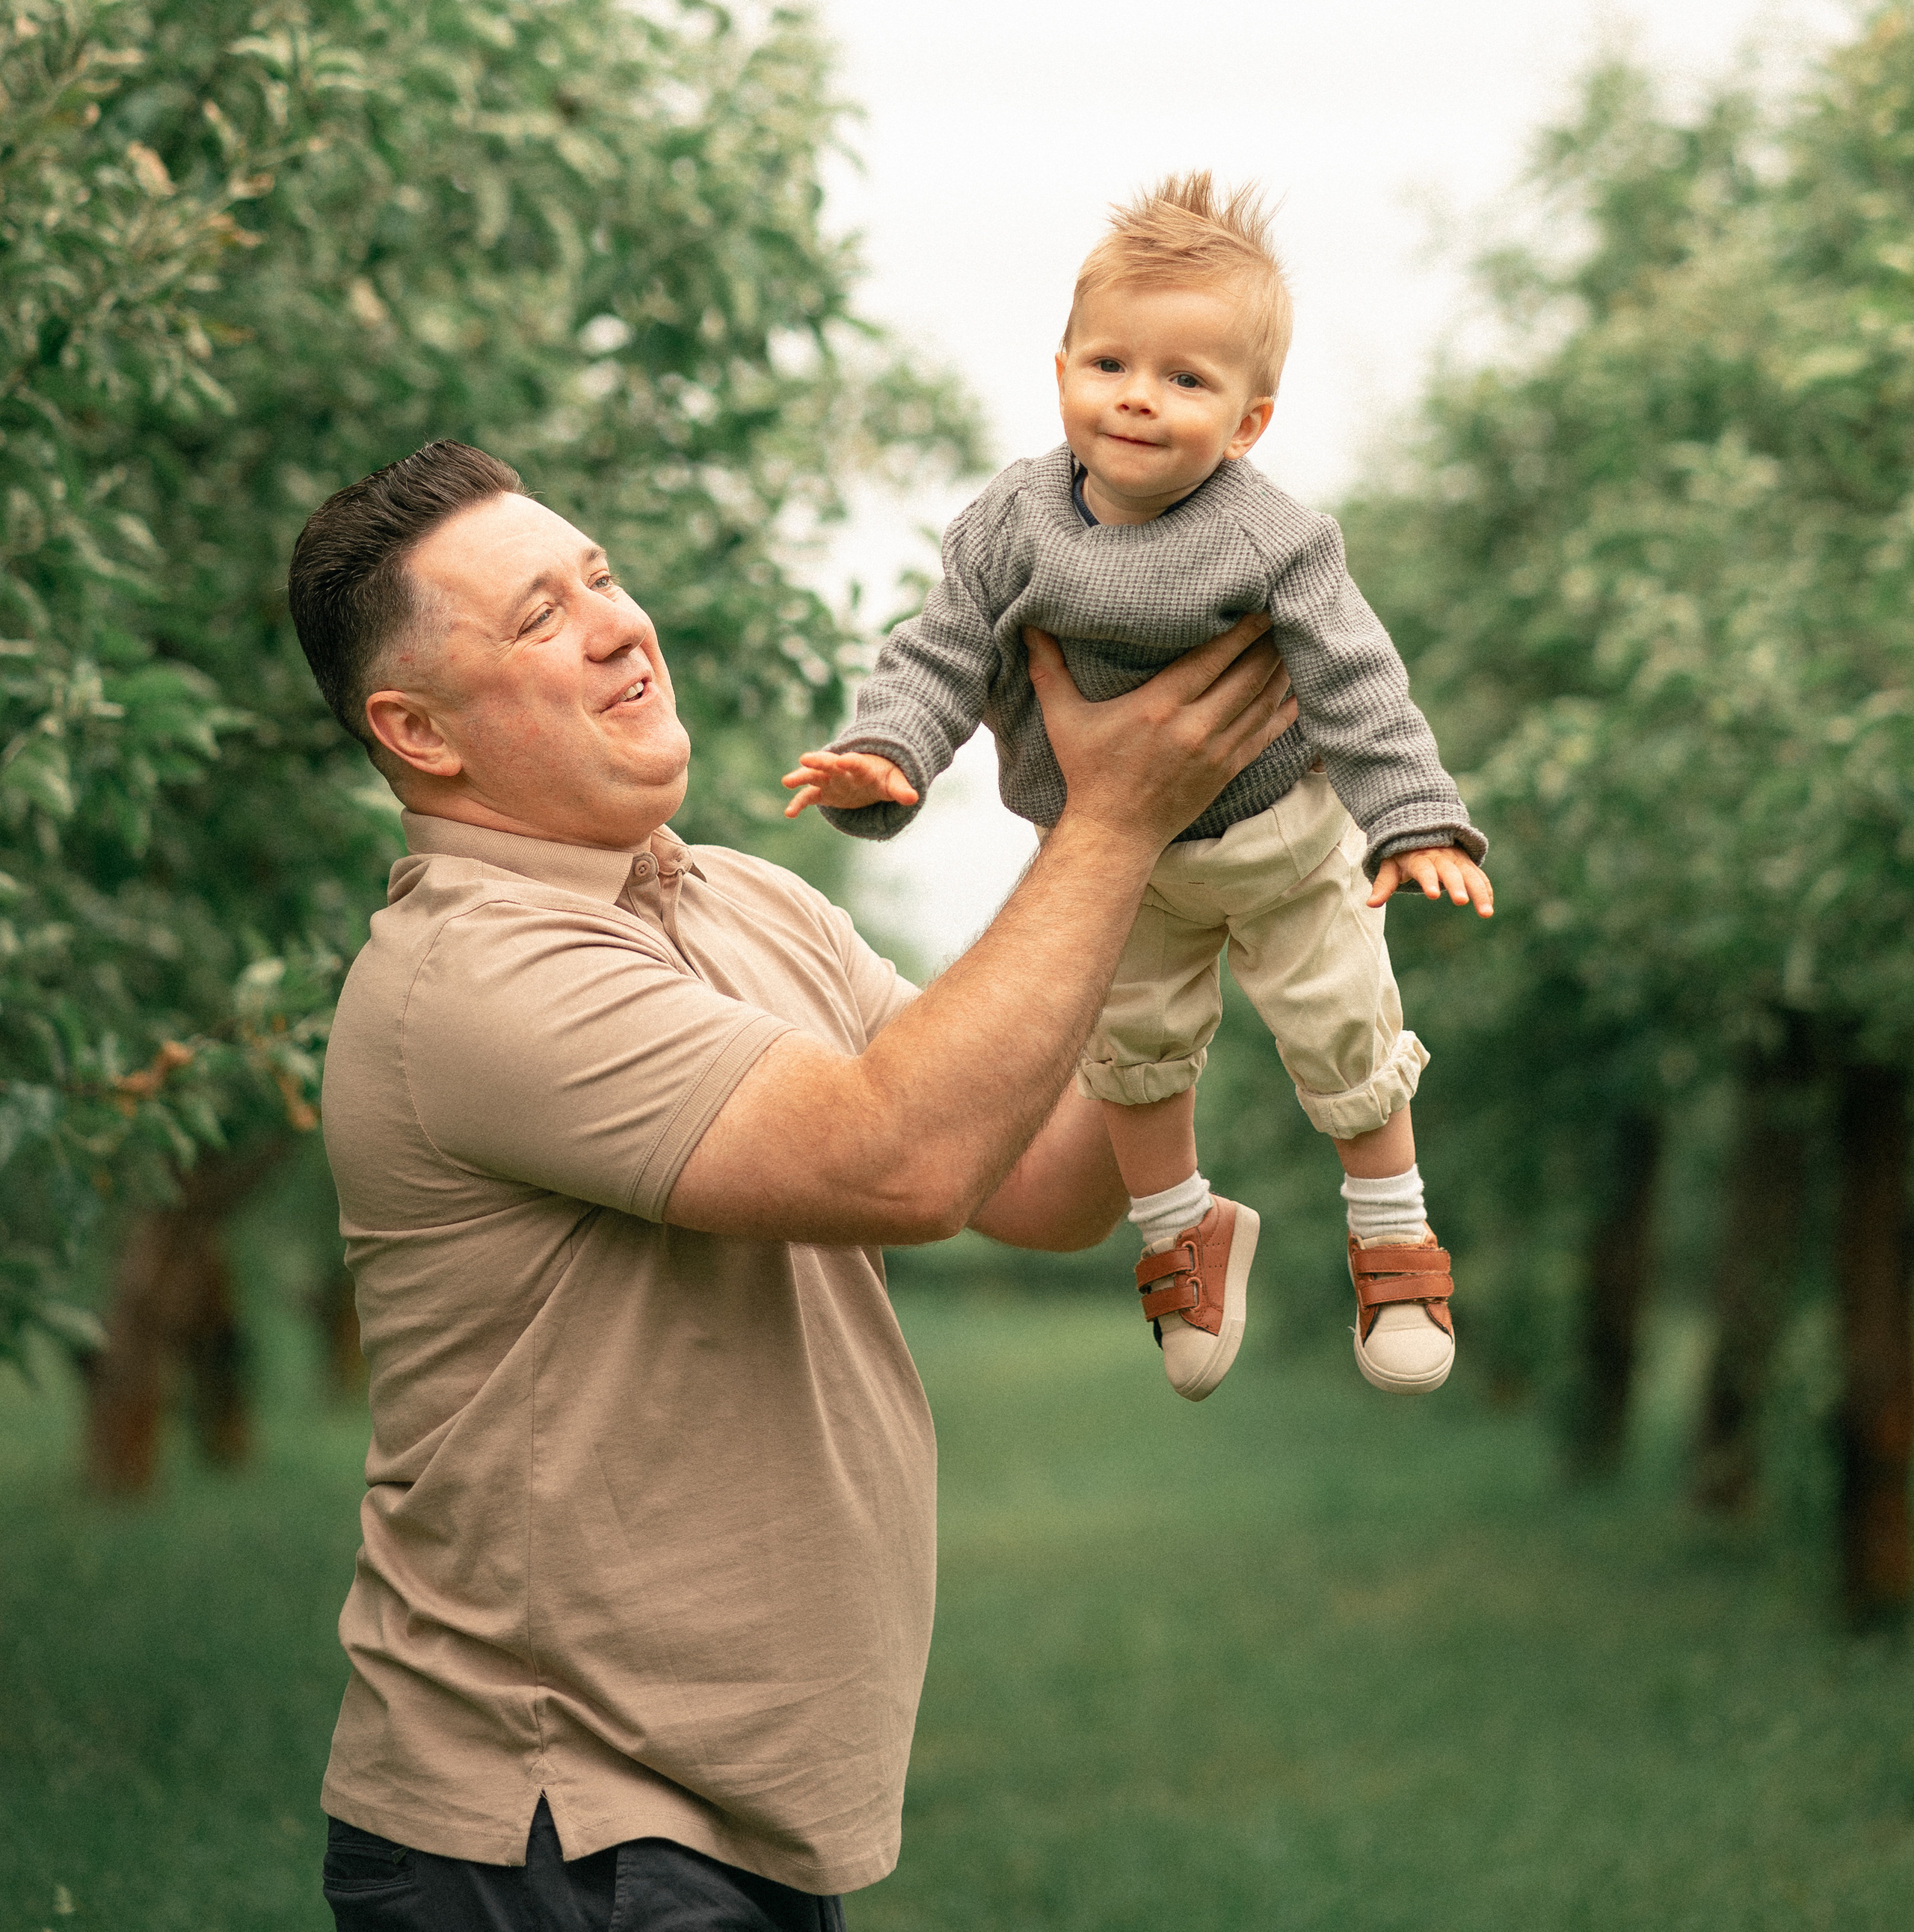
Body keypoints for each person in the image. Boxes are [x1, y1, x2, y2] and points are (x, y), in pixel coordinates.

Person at [289, 437, 1298, 1931]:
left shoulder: (744, 900)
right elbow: (902, 1160)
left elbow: (1034, 1179)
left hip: (722, 1824)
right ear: (418, 733)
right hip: (559, 1837)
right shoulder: (475, 976)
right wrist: (1108, 824)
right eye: (536, 618)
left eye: (602, 579)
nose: (620, 625)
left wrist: (1197, 878)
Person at [784, 173, 1495, 1407]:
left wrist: (1416, 817)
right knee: (1134, 1049)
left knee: (1342, 1027)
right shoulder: (1011, 524)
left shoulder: (1275, 538)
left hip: (1279, 841)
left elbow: (1356, 678)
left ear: (1250, 421)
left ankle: (1392, 1238)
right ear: (1060, 368)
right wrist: (888, 758)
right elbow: (941, 649)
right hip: (1119, 860)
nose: (1138, 398)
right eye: (1110, 363)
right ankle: (1180, 1230)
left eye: (1186, 380)